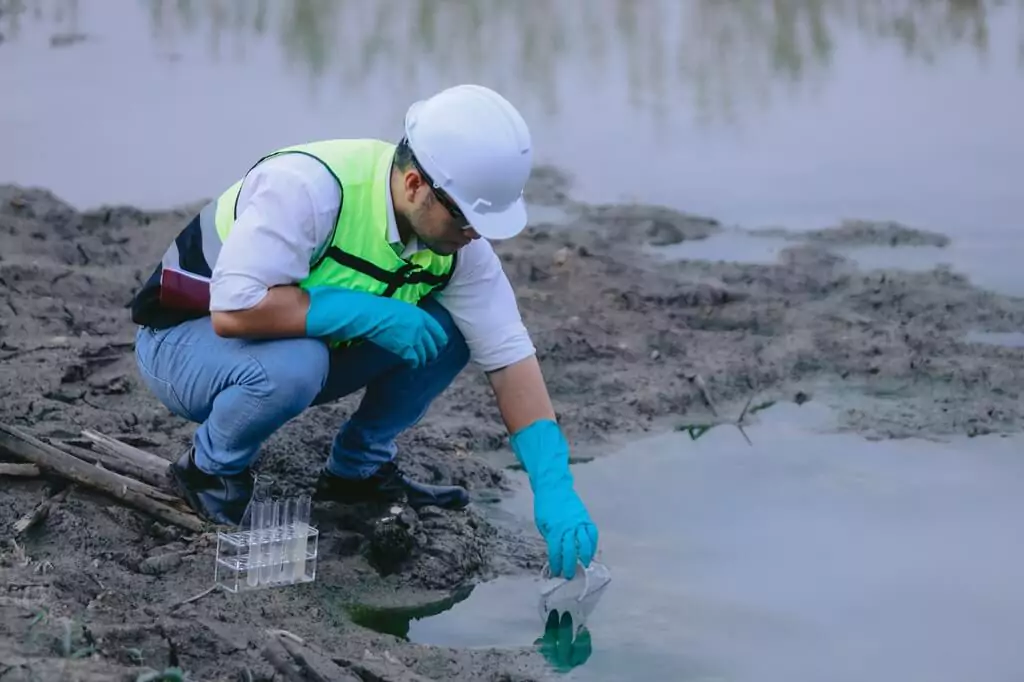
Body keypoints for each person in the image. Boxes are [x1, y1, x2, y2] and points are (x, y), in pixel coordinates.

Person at [127, 84, 598, 579]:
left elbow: (508, 358)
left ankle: (358, 472)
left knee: (451, 329)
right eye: (466, 218)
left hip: (294, 349)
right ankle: (209, 471)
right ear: (415, 184)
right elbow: (233, 313)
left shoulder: (456, 245)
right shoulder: (308, 189)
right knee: (297, 364)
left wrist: (554, 485)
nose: (474, 235)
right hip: (184, 347)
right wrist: (365, 311)